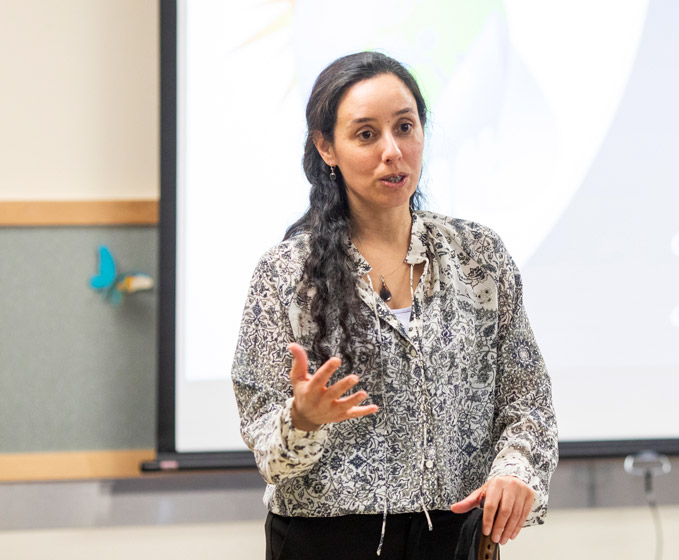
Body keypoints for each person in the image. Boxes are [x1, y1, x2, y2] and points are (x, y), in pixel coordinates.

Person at [232, 51, 558, 559]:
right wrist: (304, 419)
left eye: (405, 127)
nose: (393, 151)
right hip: (327, 543)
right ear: (327, 148)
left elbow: (527, 401)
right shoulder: (284, 275)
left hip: (456, 538)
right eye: (366, 135)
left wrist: (515, 471)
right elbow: (270, 457)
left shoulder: (479, 257)